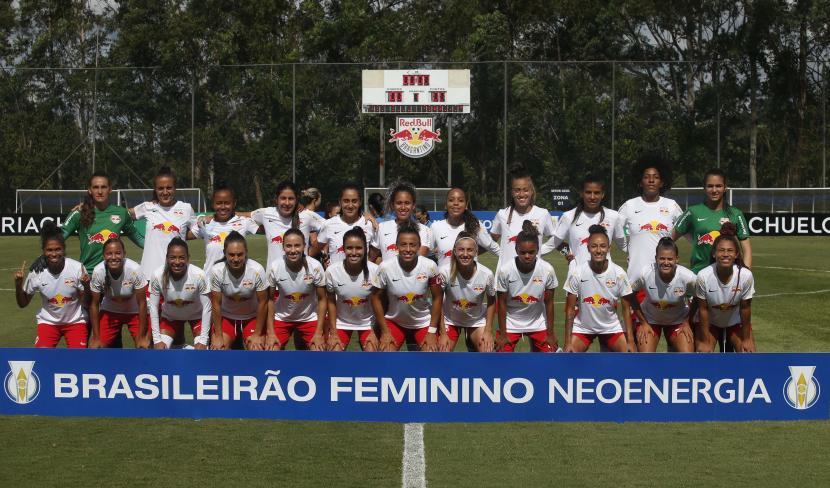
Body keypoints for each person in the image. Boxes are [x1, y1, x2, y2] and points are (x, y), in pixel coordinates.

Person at [14, 222, 90, 348]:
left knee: (78, 358)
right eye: (49, 250)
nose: (54, 254)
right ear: (43, 251)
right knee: (42, 358)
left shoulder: (77, 268)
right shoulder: (36, 272)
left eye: (57, 249)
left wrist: (86, 286)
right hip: (48, 322)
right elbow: (23, 303)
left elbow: (86, 303)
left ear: (64, 249)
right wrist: (18, 285)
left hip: (75, 322)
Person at [562, 224, 636, 352]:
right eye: (594, 246)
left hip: (611, 328)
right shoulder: (577, 273)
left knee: (628, 358)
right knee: (569, 359)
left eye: (602, 246)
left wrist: (630, 341)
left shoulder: (619, 273)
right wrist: (567, 342)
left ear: (608, 248)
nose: (598, 250)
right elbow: (570, 310)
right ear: (588, 248)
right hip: (583, 328)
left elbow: (626, 309)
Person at [371, 220, 443, 351]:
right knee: (386, 355)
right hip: (394, 322)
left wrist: (432, 331)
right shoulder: (385, 267)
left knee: (431, 357)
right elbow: (375, 298)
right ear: (396, 246)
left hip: (423, 322)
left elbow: (438, 297)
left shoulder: (430, 266)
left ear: (419, 246)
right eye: (403, 245)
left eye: (412, 245)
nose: (408, 249)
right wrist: (385, 331)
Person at [59, 171, 144, 275]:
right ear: (89, 190)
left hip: (114, 275)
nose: (100, 191)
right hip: (88, 275)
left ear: (110, 189)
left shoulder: (121, 213)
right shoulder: (79, 213)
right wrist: (44, 255)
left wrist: (162, 249)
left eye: (103, 187)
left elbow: (138, 238)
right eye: (95, 187)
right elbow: (59, 238)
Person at [614, 157, 683, 284]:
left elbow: (686, 228)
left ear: (661, 182)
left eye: (655, 177)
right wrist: (627, 248)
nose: (651, 180)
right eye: (646, 177)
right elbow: (614, 228)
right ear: (640, 182)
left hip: (664, 279)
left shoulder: (671, 205)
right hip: (636, 278)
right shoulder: (629, 206)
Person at [495, 221, 559, 352]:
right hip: (511, 323)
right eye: (523, 252)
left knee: (550, 357)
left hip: (538, 323)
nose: (527, 256)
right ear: (516, 250)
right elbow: (501, 304)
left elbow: (549, 303)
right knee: (501, 358)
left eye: (531, 252)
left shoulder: (547, 270)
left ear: (537, 250)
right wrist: (502, 334)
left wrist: (551, 334)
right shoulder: (505, 271)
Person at [673, 168, 752, 273]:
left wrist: (745, 275)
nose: (714, 190)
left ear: (725, 188)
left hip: (727, 276)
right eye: (710, 186)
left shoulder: (736, 214)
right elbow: (669, 240)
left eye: (718, 186)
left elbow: (747, 250)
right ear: (704, 188)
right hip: (698, 274)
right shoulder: (692, 211)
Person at [542, 175, 626, 272]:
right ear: (581, 193)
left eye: (597, 193)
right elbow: (552, 245)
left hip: (605, 277)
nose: (592, 197)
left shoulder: (613, 216)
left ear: (603, 194)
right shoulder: (569, 216)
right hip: (576, 277)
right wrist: (566, 253)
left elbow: (623, 245)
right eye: (588, 192)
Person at [694, 223, 756, 352]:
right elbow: (703, 310)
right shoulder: (703, 276)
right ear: (714, 254)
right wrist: (705, 341)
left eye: (730, 250)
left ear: (737, 254)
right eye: (721, 250)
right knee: (703, 352)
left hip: (735, 323)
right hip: (710, 324)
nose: (726, 254)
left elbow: (745, 308)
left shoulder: (745, 276)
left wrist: (746, 339)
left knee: (748, 352)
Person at [265, 228, 327, 350]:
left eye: (297, 245)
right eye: (288, 246)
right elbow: (270, 300)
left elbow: (322, 299)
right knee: (271, 351)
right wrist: (271, 332)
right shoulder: (275, 267)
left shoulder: (315, 266)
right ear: (283, 247)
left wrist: (319, 332)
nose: (293, 250)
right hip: (282, 318)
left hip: (309, 318)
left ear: (304, 246)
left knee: (319, 351)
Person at [630, 237, 696, 353]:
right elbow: (629, 295)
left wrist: (687, 321)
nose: (666, 262)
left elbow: (701, 297)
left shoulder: (688, 277)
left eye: (670, 259)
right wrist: (643, 322)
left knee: (687, 357)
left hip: (678, 321)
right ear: (656, 259)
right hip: (650, 320)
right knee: (645, 358)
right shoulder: (644, 273)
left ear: (677, 259)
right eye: (662, 258)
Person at [130, 167, 196, 280]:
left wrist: (179, 234)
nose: (165, 192)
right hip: (148, 275)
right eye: (160, 188)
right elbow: (123, 215)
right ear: (155, 190)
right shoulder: (148, 207)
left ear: (175, 189)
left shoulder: (186, 208)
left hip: (175, 275)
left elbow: (197, 231)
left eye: (169, 188)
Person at [208, 231, 269, 350]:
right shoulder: (217, 271)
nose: (236, 259)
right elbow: (216, 304)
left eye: (240, 254)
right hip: (226, 318)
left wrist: (257, 334)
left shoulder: (257, 269)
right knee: (218, 349)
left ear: (246, 253)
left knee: (256, 349)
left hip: (251, 318)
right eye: (231, 254)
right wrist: (218, 335)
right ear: (224, 253)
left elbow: (263, 302)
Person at [148, 238, 211, 349]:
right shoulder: (157, 275)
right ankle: (182, 347)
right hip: (170, 318)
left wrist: (204, 340)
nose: (177, 262)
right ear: (167, 258)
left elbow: (207, 307)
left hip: (197, 318)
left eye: (181, 257)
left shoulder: (199, 275)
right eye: (173, 257)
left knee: (202, 351)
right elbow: (153, 307)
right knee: (161, 351)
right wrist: (157, 340)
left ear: (188, 259)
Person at [439, 232, 496, 352]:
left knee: (488, 351)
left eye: (470, 250)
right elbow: (437, 302)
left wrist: (488, 331)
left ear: (476, 252)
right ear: (455, 251)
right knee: (442, 353)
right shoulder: (444, 272)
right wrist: (443, 333)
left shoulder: (487, 274)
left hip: (476, 321)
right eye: (461, 250)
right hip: (450, 320)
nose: (465, 254)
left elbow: (491, 302)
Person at [325, 228, 380, 351]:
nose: (354, 252)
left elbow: (381, 303)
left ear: (365, 249)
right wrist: (333, 332)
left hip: (368, 324)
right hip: (341, 322)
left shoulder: (375, 271)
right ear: (343, 249)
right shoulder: (332, 271)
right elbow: (331, 302)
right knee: (334, 353)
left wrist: (374, 330)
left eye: (359, 248)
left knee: (372, 354)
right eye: (349, 248)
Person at [491, 165, 555, 270]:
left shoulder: (543, 214)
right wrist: (502, 253)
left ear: (531, 191)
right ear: (512, 193)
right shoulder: (502, 214)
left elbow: (555, 239)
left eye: (525, 190)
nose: (521, 194)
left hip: (533, 276)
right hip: (506, 277)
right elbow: (491, 241)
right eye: (517, 190)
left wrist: (541, 250)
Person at [89, 238, 149, 348]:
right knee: (98, 347)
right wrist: (96, 337)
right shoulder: (98, 271)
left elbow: (142, 303)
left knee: (144, 346)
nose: (113, 257)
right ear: (103, 255)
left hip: (134, 311)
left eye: (118, 253)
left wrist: (141, 336)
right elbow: (94, 304)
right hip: (110, 310)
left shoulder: (134, 269)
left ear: (124, 254)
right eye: (109, 254)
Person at [192, 185, 259, 272]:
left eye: (227, 203)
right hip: (209, 281)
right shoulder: (205, 223)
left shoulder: (244, 222)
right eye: (219, 203)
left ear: (234, 203)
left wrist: (247, 214)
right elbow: (181, 234)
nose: (223, 207)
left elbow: (268, 228)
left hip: (235, 280)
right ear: (213, 203)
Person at [430, 187, 500, 268]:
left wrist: (513, 262)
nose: (456, 203)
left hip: (471, 279)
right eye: (451, 200)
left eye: (460, 200)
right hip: (445, 280)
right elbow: (426, 252)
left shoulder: (475, 225)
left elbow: (492, 247)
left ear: (466, 205)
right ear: (446, 205)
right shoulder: (435, 227)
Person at [249, 181, 312, 269]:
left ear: (296, 199)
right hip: (273, 278)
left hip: (301, 277)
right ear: (276, 199)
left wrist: (311, 253)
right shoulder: (266, 213)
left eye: (291, 198)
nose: (287, 203)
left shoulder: (306, 215)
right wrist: (257, 229)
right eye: (283, 198)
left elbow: (328, 227)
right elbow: (246, 216)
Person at [314, 184, 379, 266]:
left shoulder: (369, 224)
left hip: (362, 277)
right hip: (336, 277)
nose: (350, 205)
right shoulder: (328, 224)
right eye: (346, 201)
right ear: (340, 202)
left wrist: (364, 266)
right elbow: (315, 250)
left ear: (360, 202)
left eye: (354, 201)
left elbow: (374, 253)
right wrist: (325, 259)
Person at [372, 181, 433, 262]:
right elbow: (370, 258)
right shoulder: (381, 228)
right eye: (399, 203)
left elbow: (420, 261)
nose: (403, 207)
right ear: (392, 205)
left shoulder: (424, 230)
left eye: (407, 203)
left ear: (413, 205)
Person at [299, 187, 326, 255]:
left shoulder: (300, 212)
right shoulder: (311, 215)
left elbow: (312, 238)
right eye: (320, 199)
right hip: (304, 255)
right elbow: (329, 226)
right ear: (315, 200)